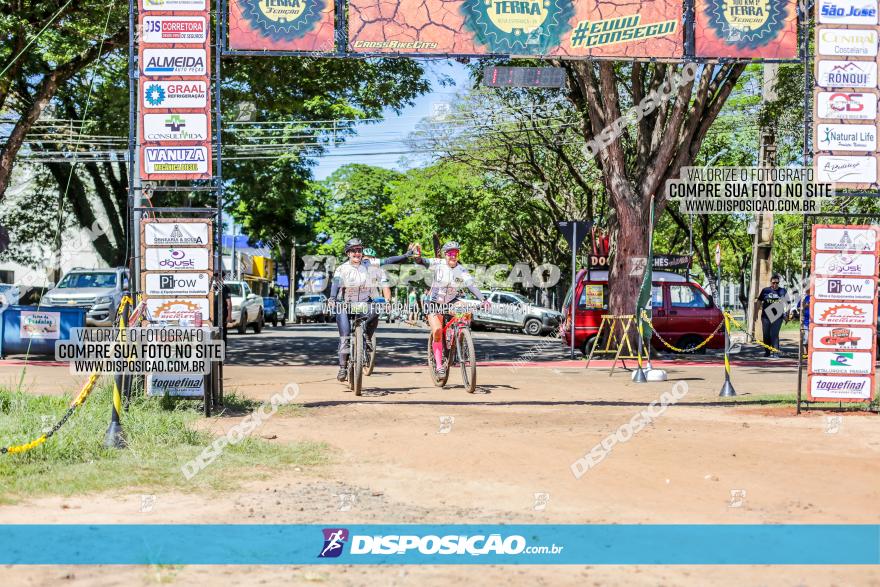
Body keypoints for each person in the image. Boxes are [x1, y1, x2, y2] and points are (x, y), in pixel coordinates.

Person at [327, 239, 414, 382]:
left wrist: (406, 255)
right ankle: (343, 368)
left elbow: (389, 260)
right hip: (346, 304)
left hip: (364, 303)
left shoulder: (370, 264)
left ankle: (366, 335)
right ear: (348, 253)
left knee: (375, 308)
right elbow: (335, 284)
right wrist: (331, 298)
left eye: (359, 250)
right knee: (345, 336)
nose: (357, 253)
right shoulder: (341, 269)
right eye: (354, 250)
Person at [413, 241, 490, 376]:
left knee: (466, 310)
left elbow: (471, 285)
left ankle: (461, 336)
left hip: (451, 301)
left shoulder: (461, 269)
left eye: (455, 253)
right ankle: (438, 365)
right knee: (437, 330)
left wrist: (483, 299)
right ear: (445, 255)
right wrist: (417, 256)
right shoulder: (438, 263)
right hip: (434, 303)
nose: (453, 256)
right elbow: (421, 261)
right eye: (450, 253)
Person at [757, 274, 787, 359]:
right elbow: (759, 301)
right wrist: (755, 313)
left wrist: (787, 314)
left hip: (778, 316)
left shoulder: (782, 291)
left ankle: (775, 352)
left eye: (777, 283)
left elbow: (787, 303)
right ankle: (767, 351)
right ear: (771, 282)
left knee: (774, 334)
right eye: (773, 282)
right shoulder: (765, 290)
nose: (775, 284)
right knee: (766, 335)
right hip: (766, 317)